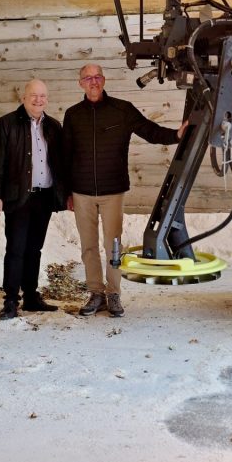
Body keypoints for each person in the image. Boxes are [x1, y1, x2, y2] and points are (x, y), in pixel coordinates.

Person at [62, 63, 188, 318]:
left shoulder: (122, 109)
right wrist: (66, 192)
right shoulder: (73, 115)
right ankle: (96, 293)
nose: (93, 82)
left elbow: (150, 131)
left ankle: (113, 293)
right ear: (81, 83)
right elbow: (65, 154)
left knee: (113, 245)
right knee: (88, 246)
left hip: (113, 191)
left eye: (97, 77)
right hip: (82, 192)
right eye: (88, 78)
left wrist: (176, 135)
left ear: (104, 80)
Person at [0, 79, 68, 320]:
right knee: (16, 249)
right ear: (23, 97)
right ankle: (11, 300)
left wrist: (65, 194)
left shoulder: (53, 126)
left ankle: (31, 296)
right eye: (33, 95)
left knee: (35, 248)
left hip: (44, 197)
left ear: (47, 99)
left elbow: (61, 164)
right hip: (18, 197)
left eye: (42, 96)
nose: (38, 100)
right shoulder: (7, 124)